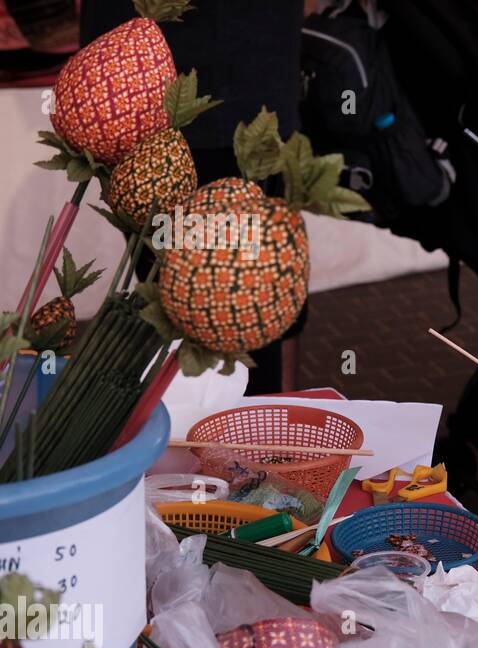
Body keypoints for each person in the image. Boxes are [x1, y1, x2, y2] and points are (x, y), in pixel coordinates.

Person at [80, 0, 307, 394]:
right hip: (128, 91)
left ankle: (250, 438)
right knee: (165, 289)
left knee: (238, 297)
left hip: (237, 88)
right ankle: (190, 431)